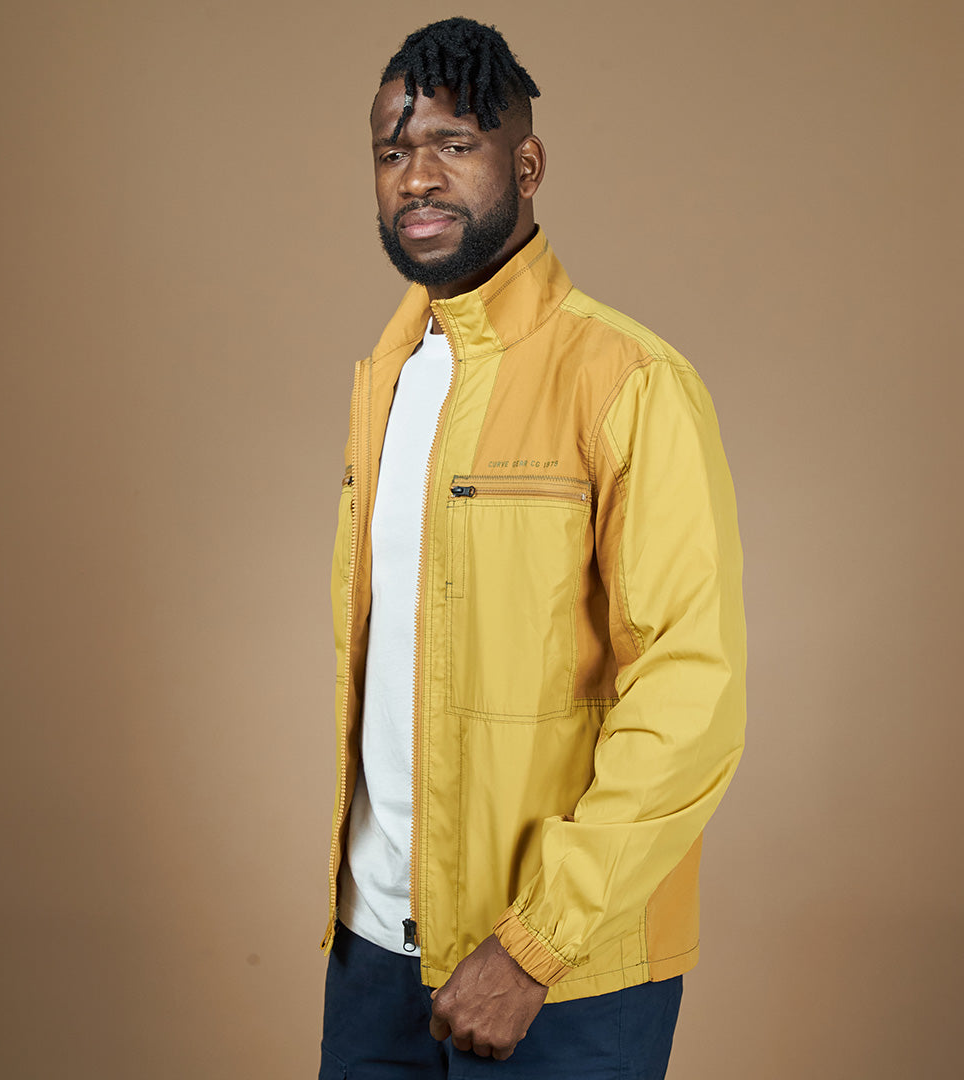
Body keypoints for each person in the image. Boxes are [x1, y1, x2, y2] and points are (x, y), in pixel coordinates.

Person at [319, 17, 746, 1079]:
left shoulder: (628, 380)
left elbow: (691, 691)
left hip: (561, 976)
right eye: (392, 151)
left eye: (454, 143)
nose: (417, 176)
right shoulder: (386, 377)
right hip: (374, 959)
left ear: (527, 164)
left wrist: (534, 943)